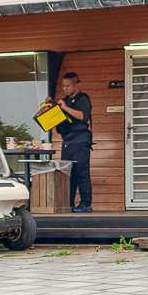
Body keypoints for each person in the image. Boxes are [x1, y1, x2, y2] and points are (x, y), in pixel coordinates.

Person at [48, 73, 93, 212]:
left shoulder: (82, 99)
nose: (65, 89)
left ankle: (86, 203)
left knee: (81, 173)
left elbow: (82, 116)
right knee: (68, 174)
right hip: (67, 141)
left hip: (81, 140)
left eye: (68, 86)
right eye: (63, 86)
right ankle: (69, 203)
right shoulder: (65, 100)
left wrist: (65, 107)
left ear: (75, 85)